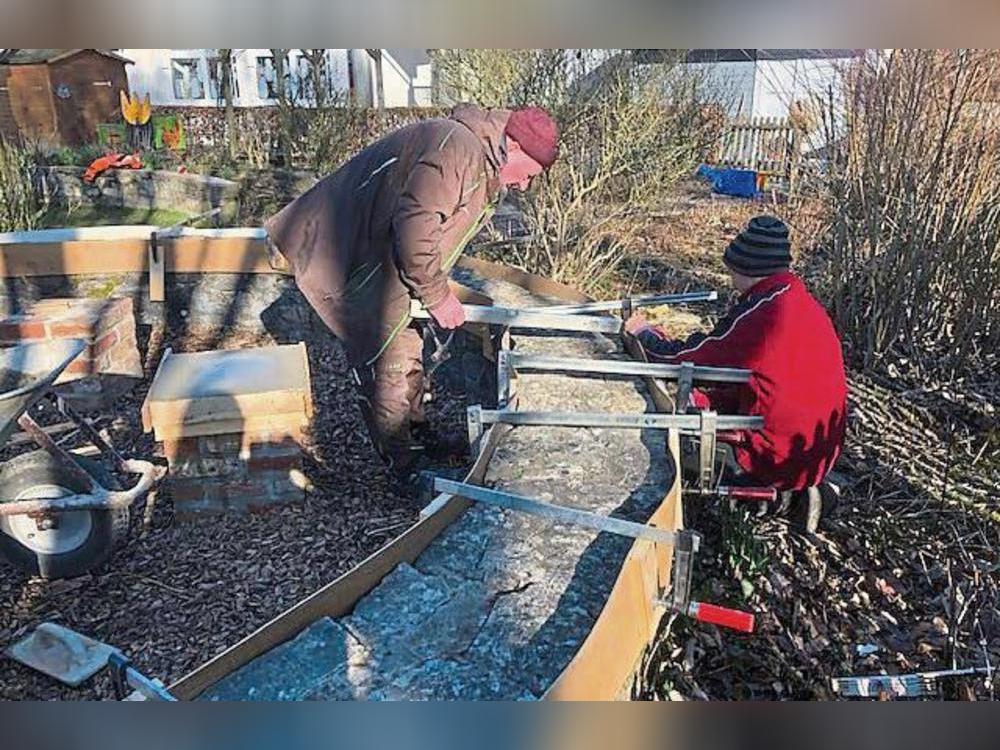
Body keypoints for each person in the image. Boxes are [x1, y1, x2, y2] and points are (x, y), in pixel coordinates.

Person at [265, 103, 559, 476]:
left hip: (380, 254)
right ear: (513, 145)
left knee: (408, 350)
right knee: (390, 359)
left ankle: (416, 435)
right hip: (346, 249)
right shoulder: (459, 150)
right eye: (528, 174)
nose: (524, 185)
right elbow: (416, 225)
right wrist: (437, 295)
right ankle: (404, 468)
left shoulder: (472, 151)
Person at [625, 216, 847, 527]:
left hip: (775, 457)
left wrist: (643, 334)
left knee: (664, 446)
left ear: (747, 267)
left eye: (731, 268)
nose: (728, 276)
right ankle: (800, 492)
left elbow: (687, 361)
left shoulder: (766, 314)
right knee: (702, 403)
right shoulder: (799, 301)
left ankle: (773, 495)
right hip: (814, 453)